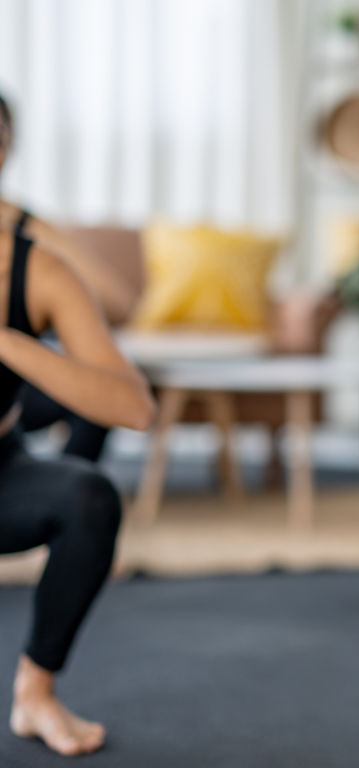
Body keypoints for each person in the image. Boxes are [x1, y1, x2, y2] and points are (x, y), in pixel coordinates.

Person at [0, 220, 155, 750]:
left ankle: (35, 693)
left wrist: (6, 343)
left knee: (88, 497)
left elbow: (133, 407)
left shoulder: (36, 268)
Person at [0, 92, 138, 462]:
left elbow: (121, 303)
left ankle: (57, 482)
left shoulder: (30, 234)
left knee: (96, 393)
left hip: (15, 389)